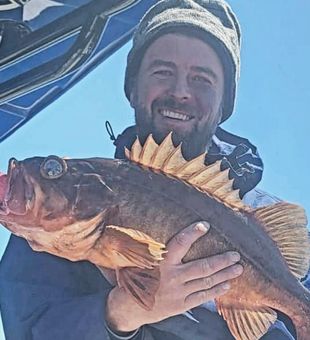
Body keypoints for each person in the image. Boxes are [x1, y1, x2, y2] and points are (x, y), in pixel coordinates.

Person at [0, 1, 307, 339]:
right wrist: (122, 311)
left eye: (202, 79)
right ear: (133, 89)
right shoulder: (39, 233)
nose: (179, 91)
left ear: (224, 105)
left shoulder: (263, 220)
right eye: (162, 72)